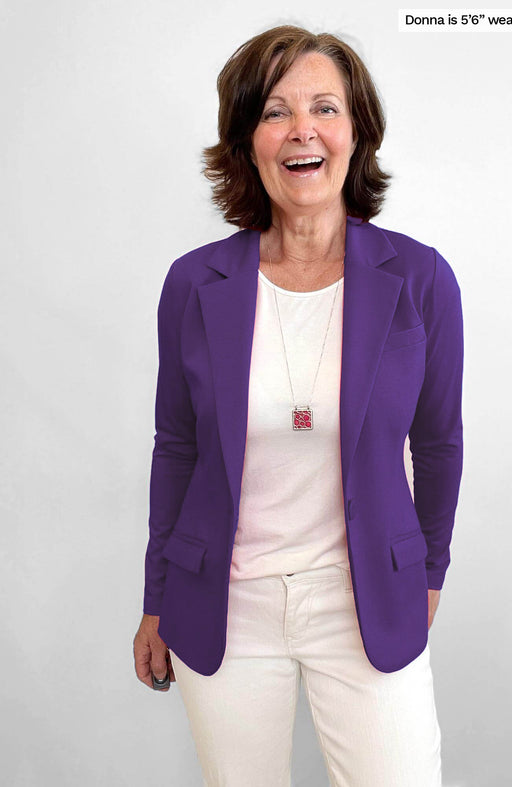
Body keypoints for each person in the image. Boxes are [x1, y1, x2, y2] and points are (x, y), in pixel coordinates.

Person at [133, 24, 463, 787]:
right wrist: (156, 599)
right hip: (228, 601)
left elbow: (439, 442)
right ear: (247, 140)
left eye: (325, 107)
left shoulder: (420, 279)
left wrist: (431, 573)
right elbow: (175, 447)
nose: (302, 129)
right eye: (276, 111)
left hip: (366, 598)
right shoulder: (194, 283)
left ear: (357, 133)